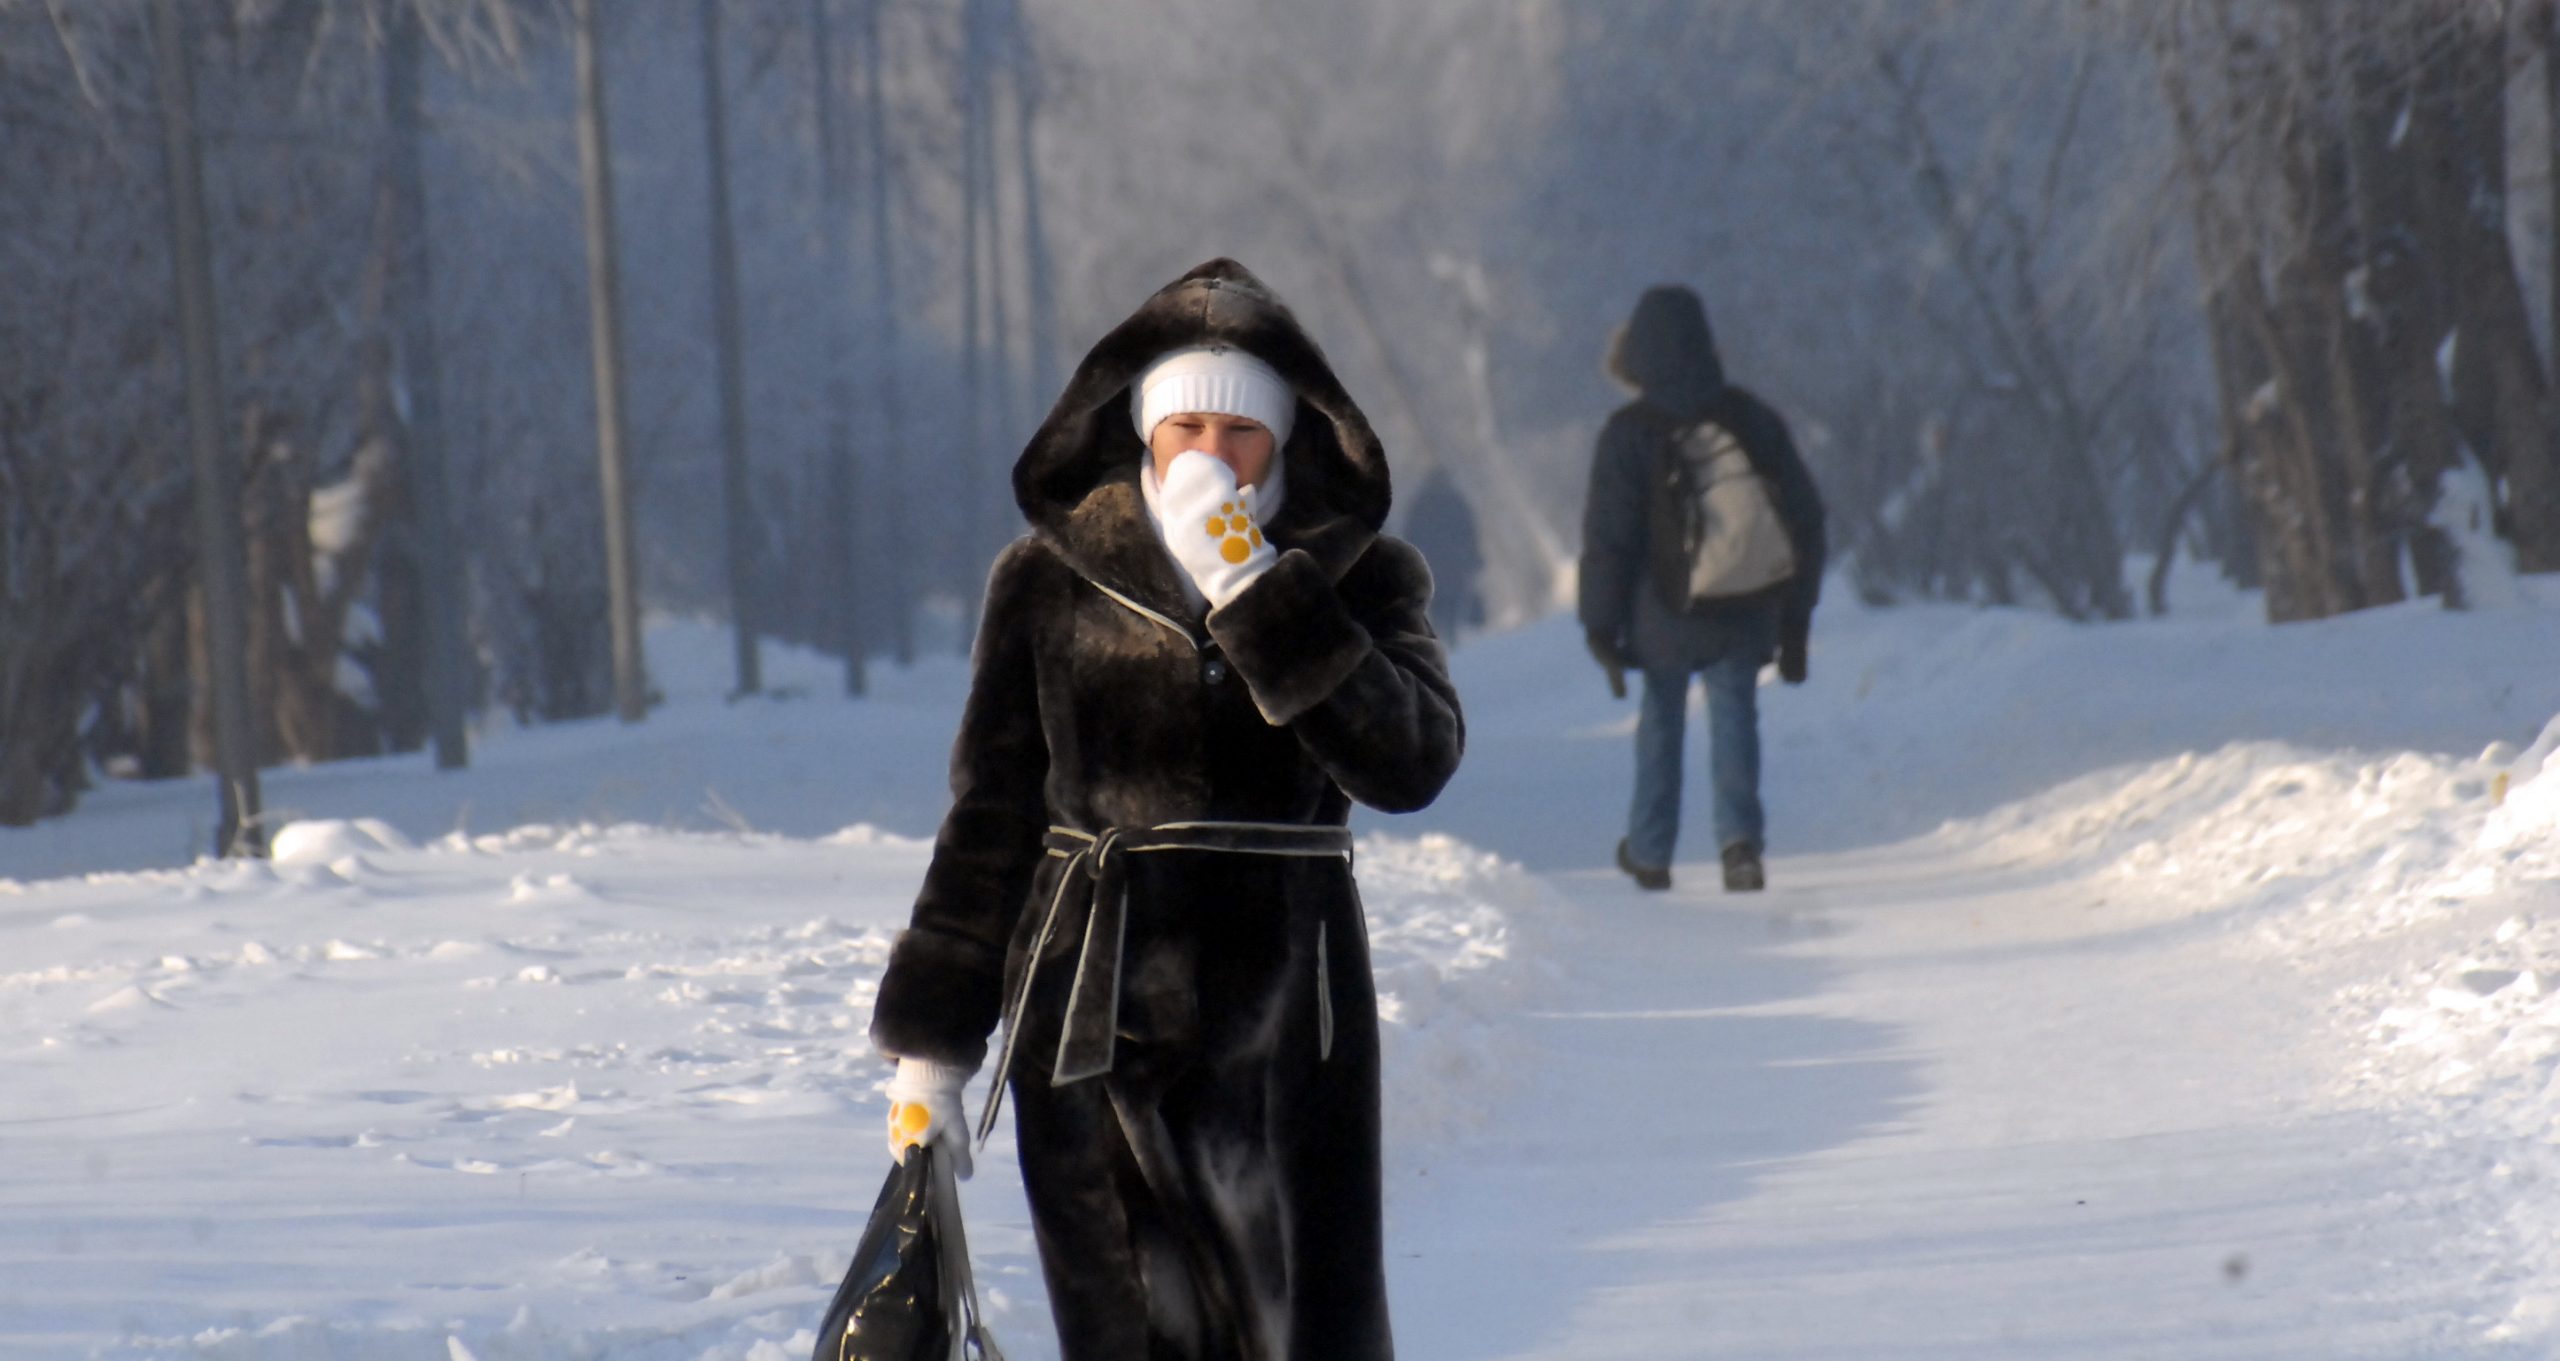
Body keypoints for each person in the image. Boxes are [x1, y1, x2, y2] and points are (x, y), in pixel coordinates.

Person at [867, 258, 1463, 1360]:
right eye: (1182, 422)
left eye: (1239, 431)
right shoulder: (1044, 579)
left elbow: (1411, 760)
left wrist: (1254, 586)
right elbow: (991, 811)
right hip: (1090, 1005)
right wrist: (933, 1048)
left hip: (1289, 1012)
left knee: (1296, 1328)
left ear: (1286, 437)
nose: (1209, 453)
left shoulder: (1362, 577)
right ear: (1140, 428)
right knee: (1129, 1327)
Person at [1578, 284, 1824, 893]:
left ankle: (1650, 849)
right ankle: (1739, 846)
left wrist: (1599, 624)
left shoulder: (1628, 432)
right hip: (1743, 606)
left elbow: (1610, 537)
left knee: (1661, 721)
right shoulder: (1750, 417)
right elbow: (1804, 519)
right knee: (1735, 714)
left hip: (1662, 609)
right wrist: (1795, 624)